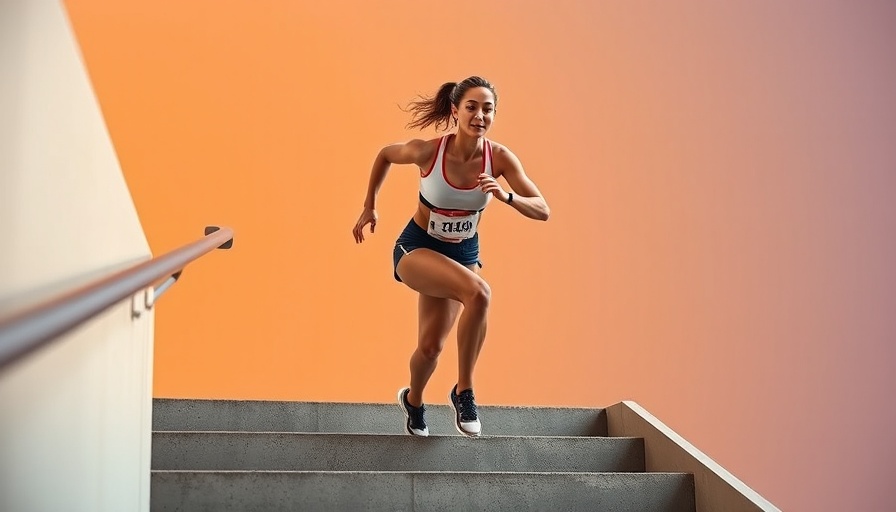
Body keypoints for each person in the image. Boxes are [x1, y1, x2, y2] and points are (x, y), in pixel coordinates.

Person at [352, 76, 550, 437]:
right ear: (456, 110)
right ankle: (465, 391)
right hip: (417, 247)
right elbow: (385, 155)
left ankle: (413, 400)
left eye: (487, 109)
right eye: (472, 107)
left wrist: (506, 197)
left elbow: (542, 209)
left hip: (463, 255)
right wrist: (370, 207)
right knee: (481, 293)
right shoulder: (428, 151)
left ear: (494, 115)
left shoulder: (500, 158)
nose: (479, 116)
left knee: (429, 349)